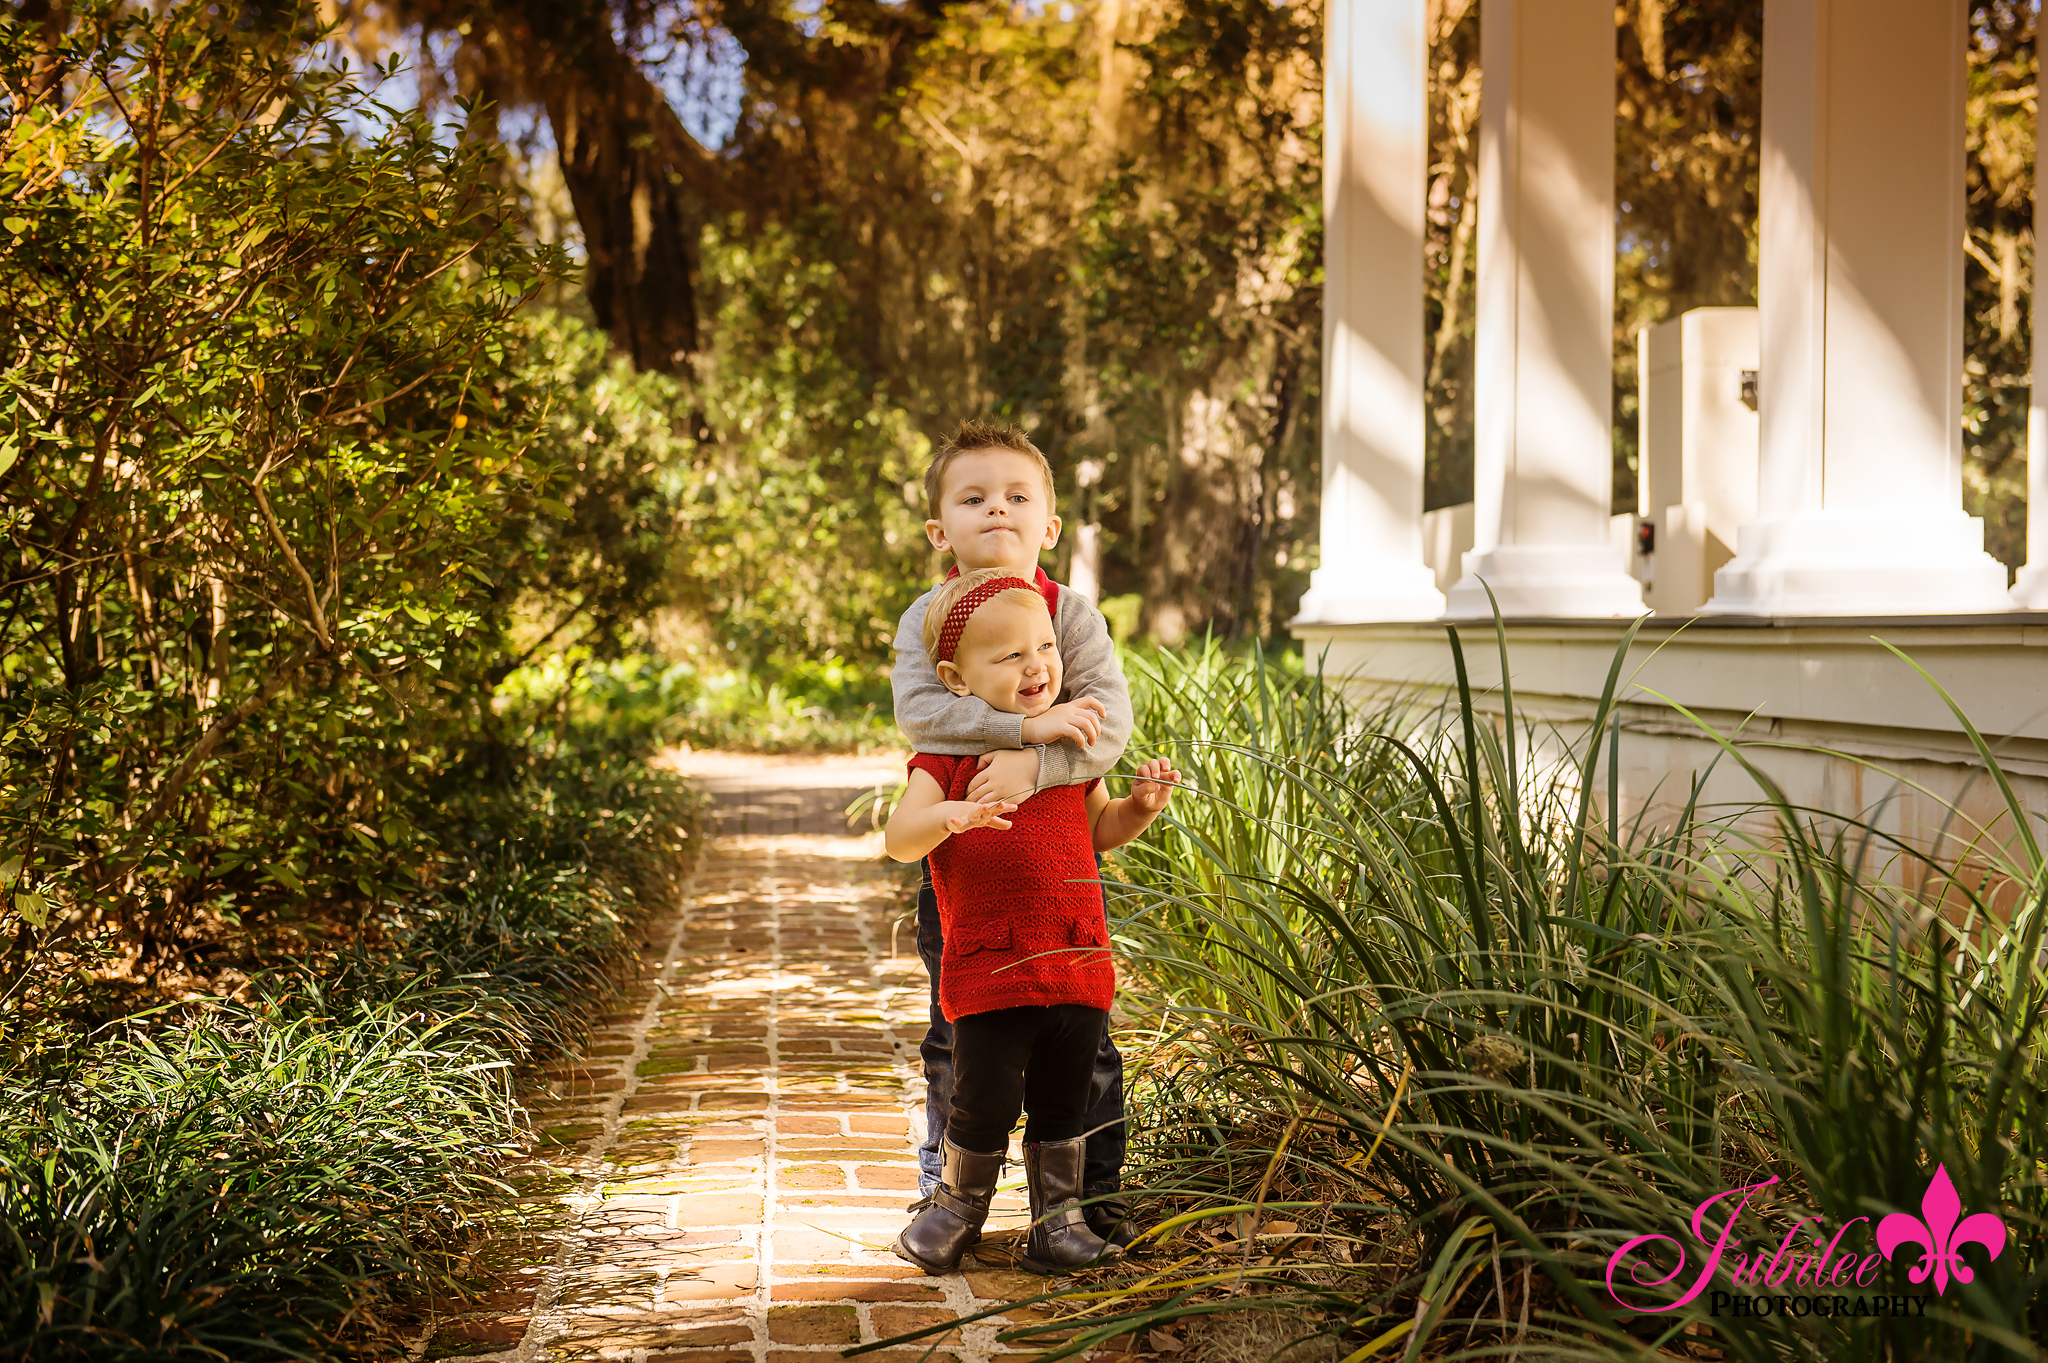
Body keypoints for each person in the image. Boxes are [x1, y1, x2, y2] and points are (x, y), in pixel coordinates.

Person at [885, 567, 1179, 1275]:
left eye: (1044, 646)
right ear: (956, 679)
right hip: (992, 969)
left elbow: (1098, 828)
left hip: (1075, 959)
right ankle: (955, 1210)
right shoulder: (946, 760)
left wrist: (1137, 810)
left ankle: (1058, 1223)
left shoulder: (1070, 756)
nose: (1036, 665)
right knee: (982, 1100)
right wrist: (949, 815)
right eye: (1009, 654)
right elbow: (900, 837)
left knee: (1063, 1103)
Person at [889, 420, 1139, 1245]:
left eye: (1017, 495)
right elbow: (922, 714)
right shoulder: (927, 620)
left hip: (1062, 873)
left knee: (1084, 1038)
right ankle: (945, 1184)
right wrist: (1030, 734)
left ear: (1048, 526)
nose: (997, 508)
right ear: (940, 532)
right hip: (972, 877)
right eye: (974, 497)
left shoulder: (1071, 615)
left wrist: (1041, 771)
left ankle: (1086, 1198)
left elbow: (1105, 726)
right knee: (956, 1026)